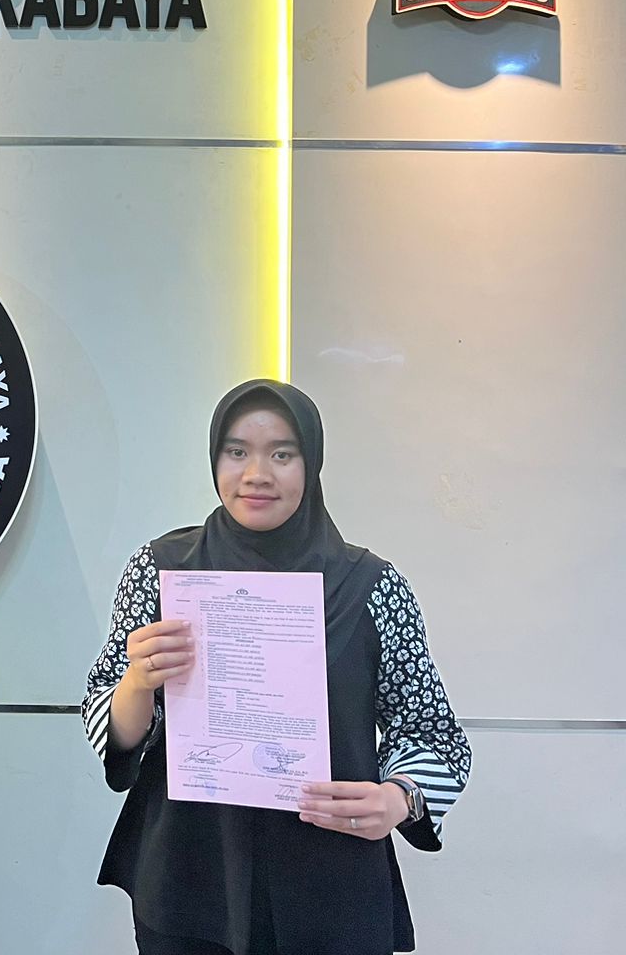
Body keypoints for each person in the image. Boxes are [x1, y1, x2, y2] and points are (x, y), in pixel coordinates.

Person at [82, 379, 471, 955]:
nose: (256, 474)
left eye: (282, 454)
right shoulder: (163, 570)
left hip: (330, 879)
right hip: (191, 875)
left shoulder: (370, 585)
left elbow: (432, 733)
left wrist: (399, 797)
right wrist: (137, 682)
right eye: (236, 452)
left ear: (311, 464)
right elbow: (108, 718)